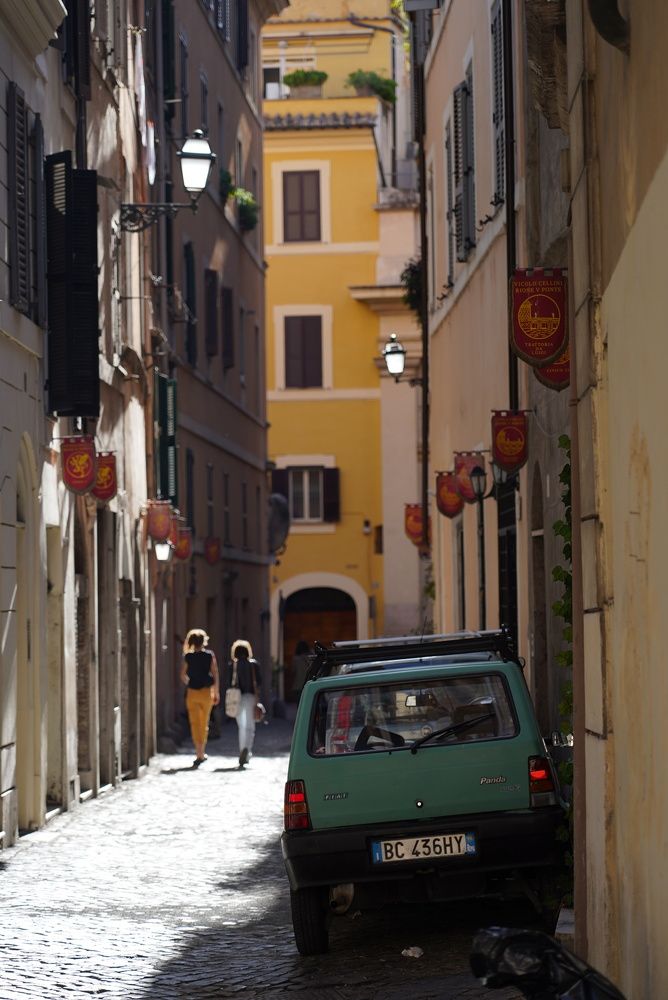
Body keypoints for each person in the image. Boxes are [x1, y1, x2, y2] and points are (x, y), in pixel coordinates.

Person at [180, 628, 220, 767]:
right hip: (206, 693)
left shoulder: (188, 656)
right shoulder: (209, 655)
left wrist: (190, 682)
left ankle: (198, 753)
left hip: (192, 693)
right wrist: (216, 692)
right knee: (204, 723)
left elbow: (182, 675)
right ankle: (201, 753)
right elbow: (215, 674)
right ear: (203, 642)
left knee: (194, 722)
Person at [228, 639, 260, 768]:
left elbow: (228, 683)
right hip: (250, 696)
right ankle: (247, 751)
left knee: (241, 726)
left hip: (236, 698)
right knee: (250, 726)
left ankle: (242, 750)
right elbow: (259, 683)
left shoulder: (232, 666)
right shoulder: (254, 665)